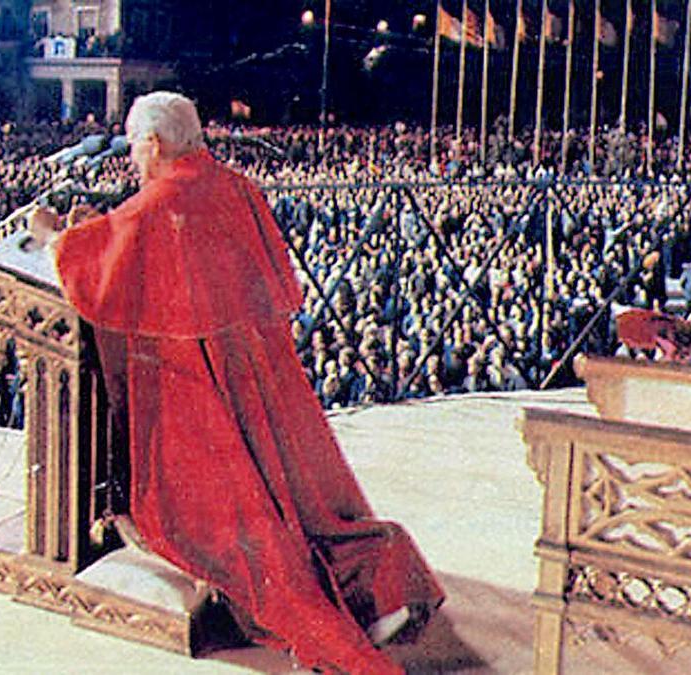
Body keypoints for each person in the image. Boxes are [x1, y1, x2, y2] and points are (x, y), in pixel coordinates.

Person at [32, 92, 444, 674]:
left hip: (203, 380)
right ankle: (378, 583)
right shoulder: (235, 185)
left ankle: (333, 619)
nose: (131, 160)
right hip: (263, 367)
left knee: (234, 520)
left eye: (133, 147)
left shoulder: (162, 200)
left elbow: (98, 259)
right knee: (304, 499)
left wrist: (53, 235)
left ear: (152, 144)